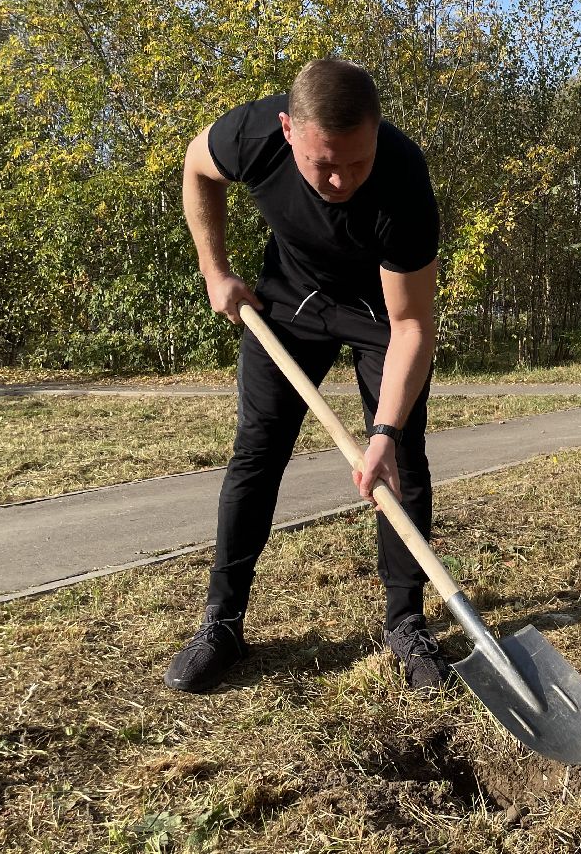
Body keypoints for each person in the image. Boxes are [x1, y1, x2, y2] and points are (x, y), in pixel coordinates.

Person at [167, 58, 446, 694]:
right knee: (257, 455)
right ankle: (223, 623)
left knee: (402, 456)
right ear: (290, 130)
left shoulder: (403, 182)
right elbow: (195, 167)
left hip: (381, 313)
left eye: (358, 160)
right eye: (324, 164)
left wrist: (381, 432)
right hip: (287, 304)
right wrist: (216, 271)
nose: (342, 178)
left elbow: (411, 328)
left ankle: (405, 622)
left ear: (377, 134)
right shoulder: (253, 136)